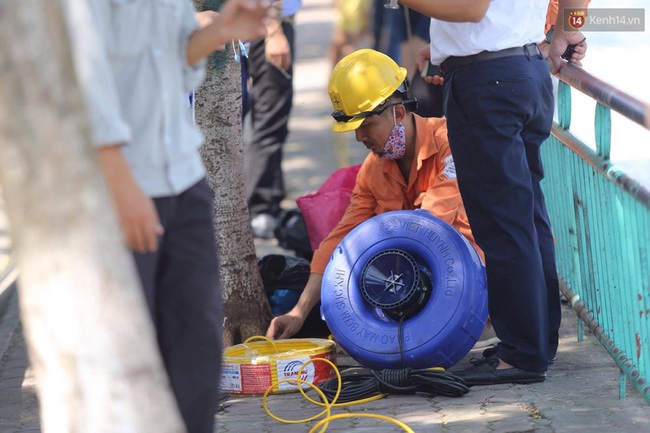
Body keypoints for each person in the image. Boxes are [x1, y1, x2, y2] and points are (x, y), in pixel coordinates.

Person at [65, 1, 274, 432]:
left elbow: (174, 62)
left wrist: (220, 32)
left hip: (183, 176)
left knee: (196, 350)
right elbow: (80, 78)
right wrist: (121, 183)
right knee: (127, 354)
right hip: (123, 185)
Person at [398, 0, 588, 386]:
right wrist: (567, 30)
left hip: (489, 80)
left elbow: (470, 8)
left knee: (505, 223)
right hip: (523, 70)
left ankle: (521, 355)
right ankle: (535, 344)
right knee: (527, 220)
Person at [266, 48, 483, 340]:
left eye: (366, 125)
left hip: (474, 296)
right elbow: (338, 241)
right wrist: (298, 312)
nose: (359, 137)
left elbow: (427, 225)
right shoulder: (373, 170)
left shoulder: (450, 144)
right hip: (412, 289)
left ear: (399, 112)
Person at [245, 0, 302, 239]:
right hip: (264, 26)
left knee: (269, 120)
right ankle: (260, 208)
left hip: (259, 25)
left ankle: (268, 202)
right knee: (270, 122)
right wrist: (273, 27)